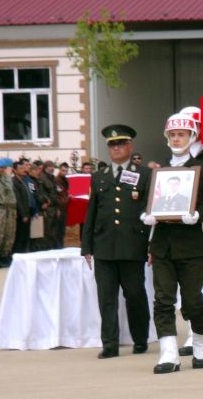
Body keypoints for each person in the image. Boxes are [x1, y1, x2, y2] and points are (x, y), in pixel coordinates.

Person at [142, 113, 203, 373]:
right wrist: (147, 216)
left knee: (192, 301)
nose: (177, 139)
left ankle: (201, 339)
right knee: (163, 300)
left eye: (182, 134)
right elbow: (147, 203)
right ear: (167, 139)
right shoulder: (157, 173)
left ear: (193, 137)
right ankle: (169, 352)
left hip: (193, 246)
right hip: (163, 245)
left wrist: (198, 215)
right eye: (173, 135)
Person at [81, 124, 152, 361]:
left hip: (132, 245)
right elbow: (92, 212)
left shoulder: (143, 174)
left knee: (135, 295)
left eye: (120, 144)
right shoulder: (99, 176)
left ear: (130, 146)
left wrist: (150, 243)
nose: (116, 148)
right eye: (112, 145)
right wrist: (87, 246)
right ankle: (109, 344)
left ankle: (140, 339)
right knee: (106, 298)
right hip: (104, 245)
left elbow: (148, 209)